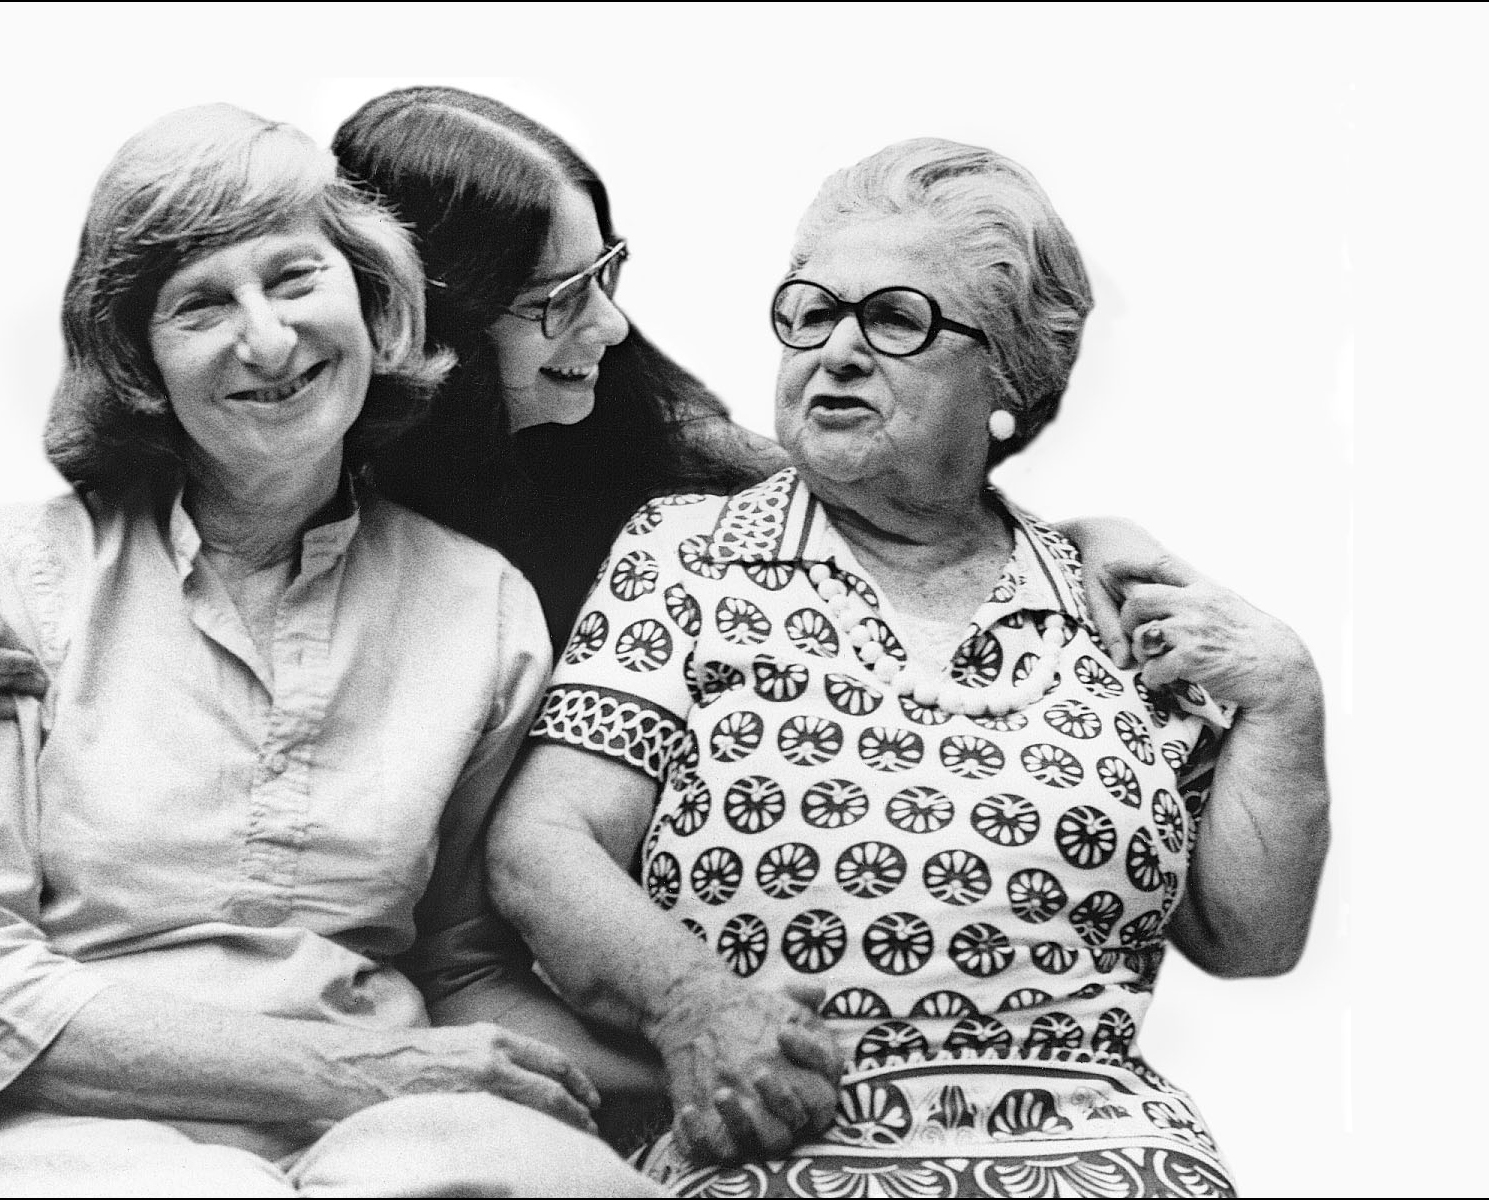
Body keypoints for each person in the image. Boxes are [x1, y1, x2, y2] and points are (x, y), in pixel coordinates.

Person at [486, 137, 1330, 1197]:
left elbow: (1250, 935)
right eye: (811, 312)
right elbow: (543, 844)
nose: (836, 351)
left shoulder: (1105, 602)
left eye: (894, 319)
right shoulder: (690, 555)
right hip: (789, 1148)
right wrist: (694, 1004)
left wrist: (1287, 693)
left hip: (1104, 1159)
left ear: (1009, 378)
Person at [0, 102, 659, 1196]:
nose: (269, 339)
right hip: (68, 1131)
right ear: (139, 362)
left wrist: (709, 1048)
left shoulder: (478, 604)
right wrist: (351, 1071)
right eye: (201, 304)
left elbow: (460, 961)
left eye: (295, 280)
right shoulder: (2, 585)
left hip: (395, 1124)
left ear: (372, 299)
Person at [0, 86, 1165, 729]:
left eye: (611, 278)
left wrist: (1063, 547)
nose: (607, 327)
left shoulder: (644, 442)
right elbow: (86, 517)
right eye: (554, 302)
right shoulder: (283, 425)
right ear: (417, 322)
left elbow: (847, 489)